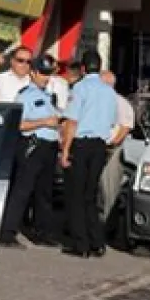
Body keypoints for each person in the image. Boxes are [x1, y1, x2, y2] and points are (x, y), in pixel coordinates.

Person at [0, 55, 63, 249]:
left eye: (48, 74)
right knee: (22, 190)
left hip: (49, 147)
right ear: (32, 73)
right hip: (33, 145)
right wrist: (43, 122)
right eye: (42, 73)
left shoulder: (48, 96)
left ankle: (42, 232)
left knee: (44, 193)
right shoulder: (25, 96)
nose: (45, 77)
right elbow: (19, 125)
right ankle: (7, 233)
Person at [59, 51, 119, 258]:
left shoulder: (80, 88)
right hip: (100, 146)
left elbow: (72, 121)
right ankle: (97, 242)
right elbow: (111, 122)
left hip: (82, 144)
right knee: (90, 195)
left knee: (75, 195)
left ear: (83, 68)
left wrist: (65, 150)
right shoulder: (109, 92)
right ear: (99, 67)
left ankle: (80, 244)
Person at [98, 70, 136, 224]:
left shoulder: (121, 102)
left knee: (108, 187)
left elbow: (125, 127)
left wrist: (112, 145)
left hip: (112, 149)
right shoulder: (96, 100)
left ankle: (106, 222)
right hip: (95, 146)